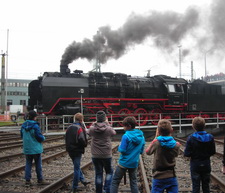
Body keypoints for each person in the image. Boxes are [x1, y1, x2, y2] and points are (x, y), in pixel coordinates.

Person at [110, 116, 145, 193]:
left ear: (129, 126)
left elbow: (122, 150)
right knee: (133, 183)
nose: (123, 127)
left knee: (115, 181)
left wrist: (119, 146)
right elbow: (141, 151)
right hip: (134, 163)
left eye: (124, 126)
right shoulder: (141, 136)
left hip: (124, 163)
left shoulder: (126, 136)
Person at [146, 119, 181, 193]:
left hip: (158, 176)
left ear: (158, 131)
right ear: (171, 130)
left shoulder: (156, 143)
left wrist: (156, 137)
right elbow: (176, 154)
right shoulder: (176, 145)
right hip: (171, 175)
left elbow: (147, 152)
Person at [87, 111, 116, 193]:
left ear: (96, 119)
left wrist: (94, 124)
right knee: (109, 172)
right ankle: (107, 190)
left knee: (98, 174)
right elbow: (114, 133)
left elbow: (88, 132)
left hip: (95, 155)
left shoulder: (92, 129)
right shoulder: (108, 128)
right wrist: (107, 124)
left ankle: (98, 191)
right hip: (106, 154)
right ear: (104, 119)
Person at [184, 116, 216, 193]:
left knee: (195, 186)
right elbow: (212, 152)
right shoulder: (210, 137)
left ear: (193, 126)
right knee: (206, 185)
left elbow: (187, 153)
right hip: (206, 163)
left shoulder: (191, 138)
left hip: (195, 164)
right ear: (204, 126)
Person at [20, 110, 48, 186]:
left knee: (28, 164)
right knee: (38, 164)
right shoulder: (35, 126)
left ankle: (27, 180)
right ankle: (40, 179)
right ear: (34, 117)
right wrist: (43, 137)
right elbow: (39, 137)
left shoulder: (23, 126)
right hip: (36, 149)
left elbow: (22, 136)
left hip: (27, 148)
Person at [65, 113, 90, 192]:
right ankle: (75, 186)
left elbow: (66, 138)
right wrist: (85, 144)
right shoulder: (79, 128)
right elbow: (82, 139)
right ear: (81, 120)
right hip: (77, 150)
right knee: (76, 168)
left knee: (77, 166)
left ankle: (83, 180)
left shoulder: (69, 127)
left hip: (70, 150)